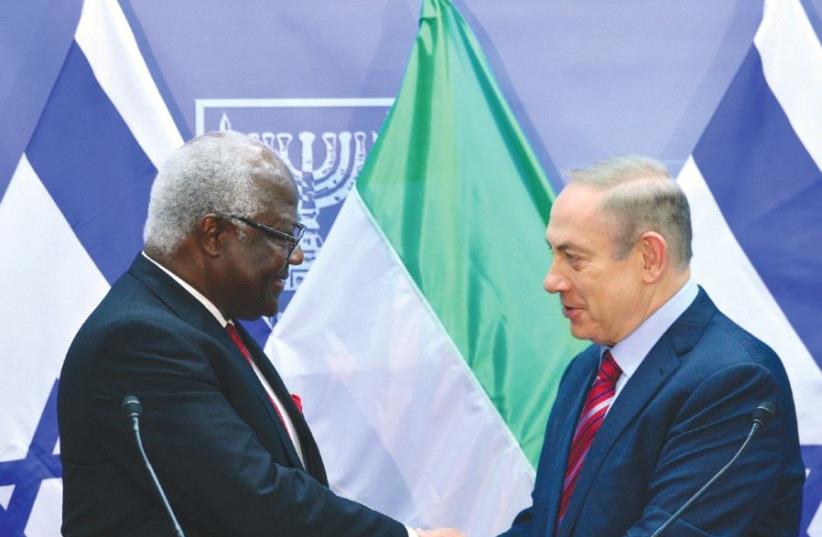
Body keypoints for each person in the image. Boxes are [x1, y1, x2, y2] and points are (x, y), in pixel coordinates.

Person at [58, 131, 462, 537]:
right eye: (282, 236)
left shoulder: (201, 323)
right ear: (214, 235)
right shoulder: (138, 340)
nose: (297, 255)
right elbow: (252, 497)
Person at [499, 156, 804, 537]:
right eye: (553, 254)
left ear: (649, 258)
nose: (551, 280)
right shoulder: (585, 371)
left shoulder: (734, 381)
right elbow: (548, 526)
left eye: (573, 258)